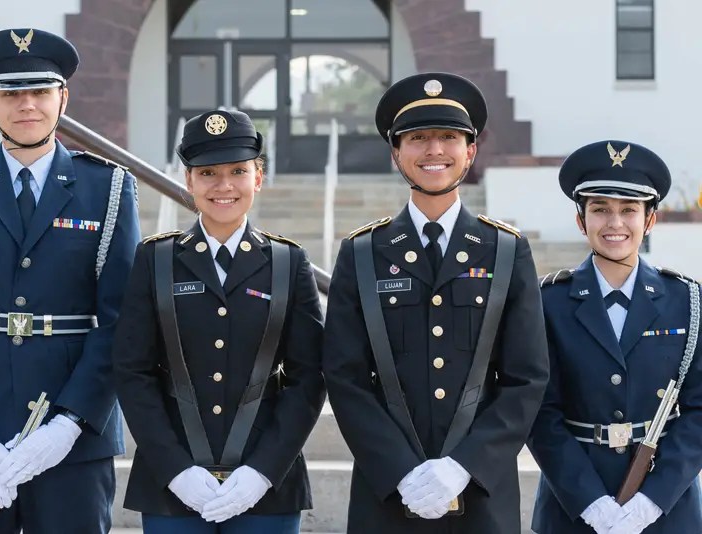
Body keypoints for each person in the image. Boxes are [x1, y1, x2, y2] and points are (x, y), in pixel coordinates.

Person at [0, 28, 140, 533]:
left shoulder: (109, 188)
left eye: (40, 91)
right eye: (12, 93)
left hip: (71, 433)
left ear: (64, 97)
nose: (27, 105)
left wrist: (68, 425)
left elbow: (121, 320)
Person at [321, 72, 550, 533]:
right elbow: (345, 377)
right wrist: (399, 468)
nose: (434, 151)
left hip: (480, 492)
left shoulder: (505, 250)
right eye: (418, 138)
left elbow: (527, 377)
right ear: (395, 152)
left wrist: (462, 466)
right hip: (387, 491)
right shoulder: (363, 252)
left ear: (471, 151)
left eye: (449, 137)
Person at [113, 109, 325, 533]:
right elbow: (132, 371)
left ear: (258, 178)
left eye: (238, 171)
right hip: (172, 484)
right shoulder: (156, 260)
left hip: (267, 485)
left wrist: (262, 470)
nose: (223, 185)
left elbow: (310, 376)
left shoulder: (287, 262)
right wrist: (175, 469)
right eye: (207, 172)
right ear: (188, 181)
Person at [528, 140, 702, 534]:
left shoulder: (687, 300)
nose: (615, 224)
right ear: (580, 220)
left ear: (651, 219)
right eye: (600, 209)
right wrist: (590, 504)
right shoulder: (547, 302)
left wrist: (650, 503)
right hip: (571, 507)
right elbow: (539, 414)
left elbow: (698, 411)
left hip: (667, 509)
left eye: (628, 210)